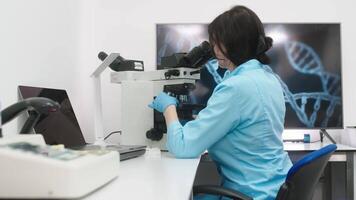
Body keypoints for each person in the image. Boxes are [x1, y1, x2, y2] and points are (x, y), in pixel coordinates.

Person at [148, 5, 292, 200]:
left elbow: (182, 147)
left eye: (217, 43)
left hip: (250, 193)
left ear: (233, 44)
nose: (213, 50)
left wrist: (168, 107)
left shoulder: (236, 87)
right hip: (275, 185)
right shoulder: (268, 77)